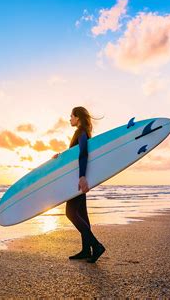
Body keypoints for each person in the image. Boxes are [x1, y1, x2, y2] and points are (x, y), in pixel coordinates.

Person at [52, 106, 105, 263]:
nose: (70, 119)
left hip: (77, 178)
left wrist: (82, 177)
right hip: (79, 176)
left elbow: (83, 153)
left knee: (71, 213)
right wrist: (61, 156)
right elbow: (75, 154)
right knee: (82, 214)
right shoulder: (84, 132)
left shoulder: (80, 132)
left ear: (78, 117)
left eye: (71, 116)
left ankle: (96, 246)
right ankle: (86, 250)